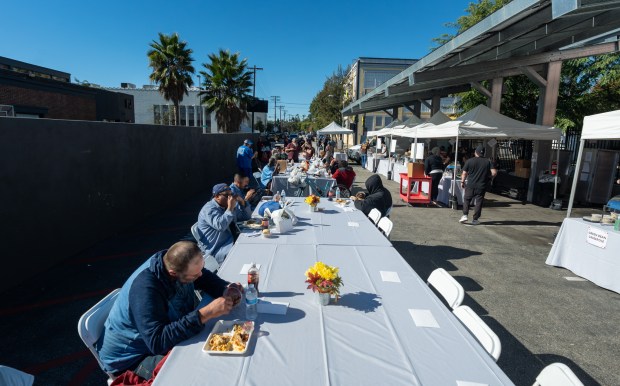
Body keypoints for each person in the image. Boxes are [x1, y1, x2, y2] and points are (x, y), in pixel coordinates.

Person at [97, 241, 242, 378]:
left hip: (153, 340)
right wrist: (206, 313)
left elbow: (202, 277)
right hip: (132, 359)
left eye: (201, 269)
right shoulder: (146, 290)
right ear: (173, 274)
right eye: (194, 275)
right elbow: (157, 342)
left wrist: (224, 288)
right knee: (202, 368)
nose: (200, 275)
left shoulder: (176, 263)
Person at [197, 183, 251, 263]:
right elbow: (221, 226)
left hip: (233, 239)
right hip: (219, 248)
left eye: (231, 194)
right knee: (246, 254)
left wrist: (242, 203)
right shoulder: (209, 209)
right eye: (227, 195)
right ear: (217, 197)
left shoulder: (227, 205)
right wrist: (229, 209)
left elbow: (245, 218)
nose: (230, 197)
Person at [459, 145, 497, 225]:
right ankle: (475, 219)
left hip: (471, 184)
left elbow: (464, 173)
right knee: (479, 202)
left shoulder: (469, 161)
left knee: (467, 199)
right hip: (482, 185)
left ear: (475, 152)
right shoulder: (488, 161)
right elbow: (494, 173)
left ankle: (465, 215)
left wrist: (462, 182)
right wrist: (489, 178)